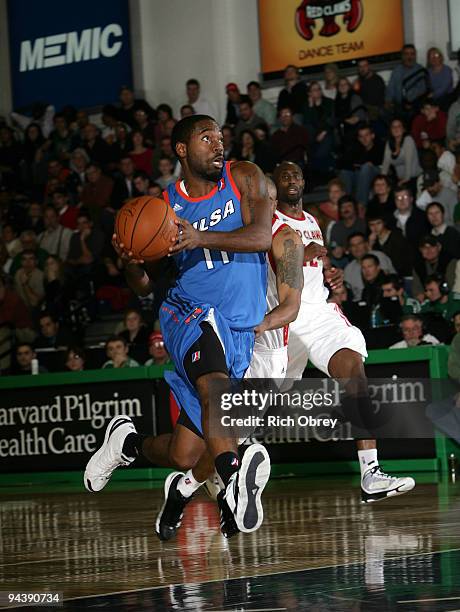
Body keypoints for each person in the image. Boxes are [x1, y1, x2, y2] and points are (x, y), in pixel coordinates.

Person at [85, 173, 304, 541]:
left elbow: (291, 308)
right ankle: (233, 486)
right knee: (217, 404)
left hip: (260, 349)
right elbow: (152, 276)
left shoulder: (286, 241)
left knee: (186, 453)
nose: (261, 199)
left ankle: (136, 452)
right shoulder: (215, 214)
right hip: (203, 321)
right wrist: (134, 258)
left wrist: (257, 325)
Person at [274, 160, 415, 503]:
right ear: (274, 185)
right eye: (284, 176)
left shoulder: (312, 221)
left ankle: (370, 472)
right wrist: (298, 255)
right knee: (252, 403)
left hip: (318, 314)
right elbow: (268, 263)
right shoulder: (270, 222)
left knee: (354, 370)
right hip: (281, 316)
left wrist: (329, 274)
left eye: (296, 175)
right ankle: (215, 468)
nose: (291, 180)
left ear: (305, 182)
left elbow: (317, 266)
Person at [344, 232, 395, 301]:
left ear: (366, 244)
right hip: (359, 305)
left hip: (384, 299)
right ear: (349, 249)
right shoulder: (348, 269)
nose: (357, 248)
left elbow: (390, 280)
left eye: (359, 244)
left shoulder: (379, 257)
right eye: (353, 245)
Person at [386, 44, 429, 118]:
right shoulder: (397, 70)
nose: (409, 57)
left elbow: (422, 90)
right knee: (384, 112)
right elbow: (391, 88)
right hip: (398, 105)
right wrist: (388, 101)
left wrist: (410, 102)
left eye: (412, 54)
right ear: (402, 56)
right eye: (406, 54)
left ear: (415, 56)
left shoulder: (420, 71)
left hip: (414, 104)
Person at [382, 118, 421, 188]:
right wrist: (381, 181)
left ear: (403, 129)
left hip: (414, 178)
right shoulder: (389, 143)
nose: (396, 128)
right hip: (400, 179)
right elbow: (385, 163)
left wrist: (406, 179)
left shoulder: (408, 140)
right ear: (390, 130)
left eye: (399, 126)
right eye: (393, 127)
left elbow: (408, 162)